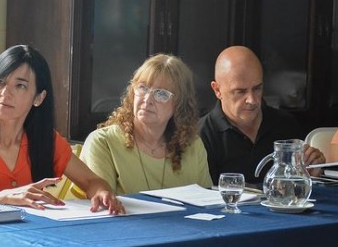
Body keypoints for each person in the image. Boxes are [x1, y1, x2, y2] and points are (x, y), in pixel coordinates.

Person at [0, 45, 124, 214]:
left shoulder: (46, 140)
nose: (5, 93)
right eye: (0, 82)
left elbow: (91, 182)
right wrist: (0, 199)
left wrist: (103, 193)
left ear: (39, 98)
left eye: (20, 86)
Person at [80, 54, 213, 195]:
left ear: (179, 104)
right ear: (132, 93)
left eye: (161, 94)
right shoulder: (102, 142)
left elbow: (208, 202)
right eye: (142, 88)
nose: (148, 99)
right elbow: (103, 209)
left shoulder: (193, 145)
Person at [199, 46, 325, 185]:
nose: (252, 100)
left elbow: (299, 187)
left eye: (257, 88)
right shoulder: (200, 137)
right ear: (217, 90)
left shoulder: (285, 125)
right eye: (240, 91)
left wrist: (312, 174)